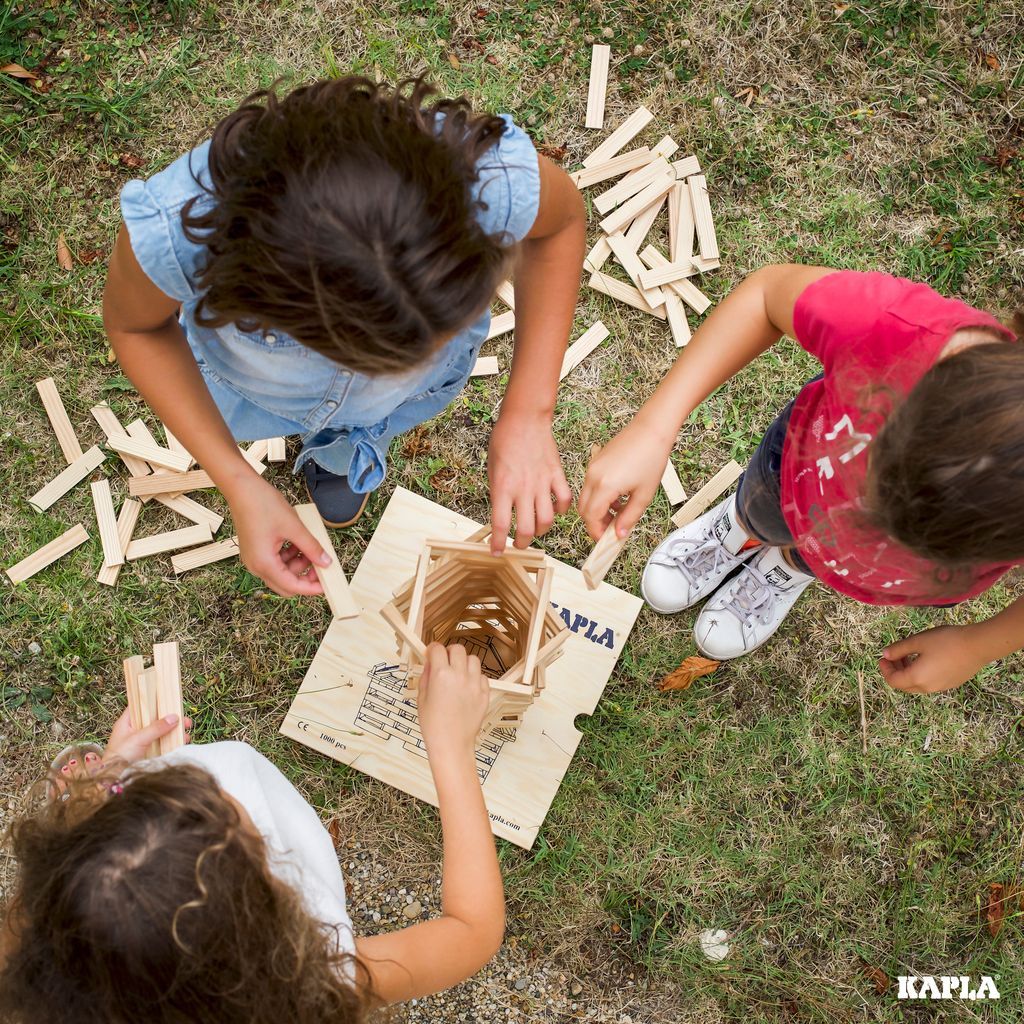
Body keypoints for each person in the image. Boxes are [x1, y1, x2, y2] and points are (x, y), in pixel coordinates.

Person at [103, 76, 584, 597]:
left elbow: (559, 225)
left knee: (376, 415)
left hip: (394, 401)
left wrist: (529, 412)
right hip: (255, 391)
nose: (401, 367)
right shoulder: (182, 229)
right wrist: (239, 481)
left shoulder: (483, 180)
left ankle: (336, 456)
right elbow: (136, 328)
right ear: (255, 299)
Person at [0, 644, 503, 1023]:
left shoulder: (35, 947)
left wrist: (108, 778)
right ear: (268, 923)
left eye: (121, 797)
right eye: (253, 838)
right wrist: (451, 747)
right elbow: (471, 930)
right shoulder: (314, 980)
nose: (223, 788)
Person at [579, 265, 1024, 693]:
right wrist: (654, 427)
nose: (864, 516)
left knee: (821, 557)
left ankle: (791, 566)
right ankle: (742, 530)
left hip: (872, 568)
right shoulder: (899, 330)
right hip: (793, 477)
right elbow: (765, 297)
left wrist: (979, 645)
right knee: (762, 512)